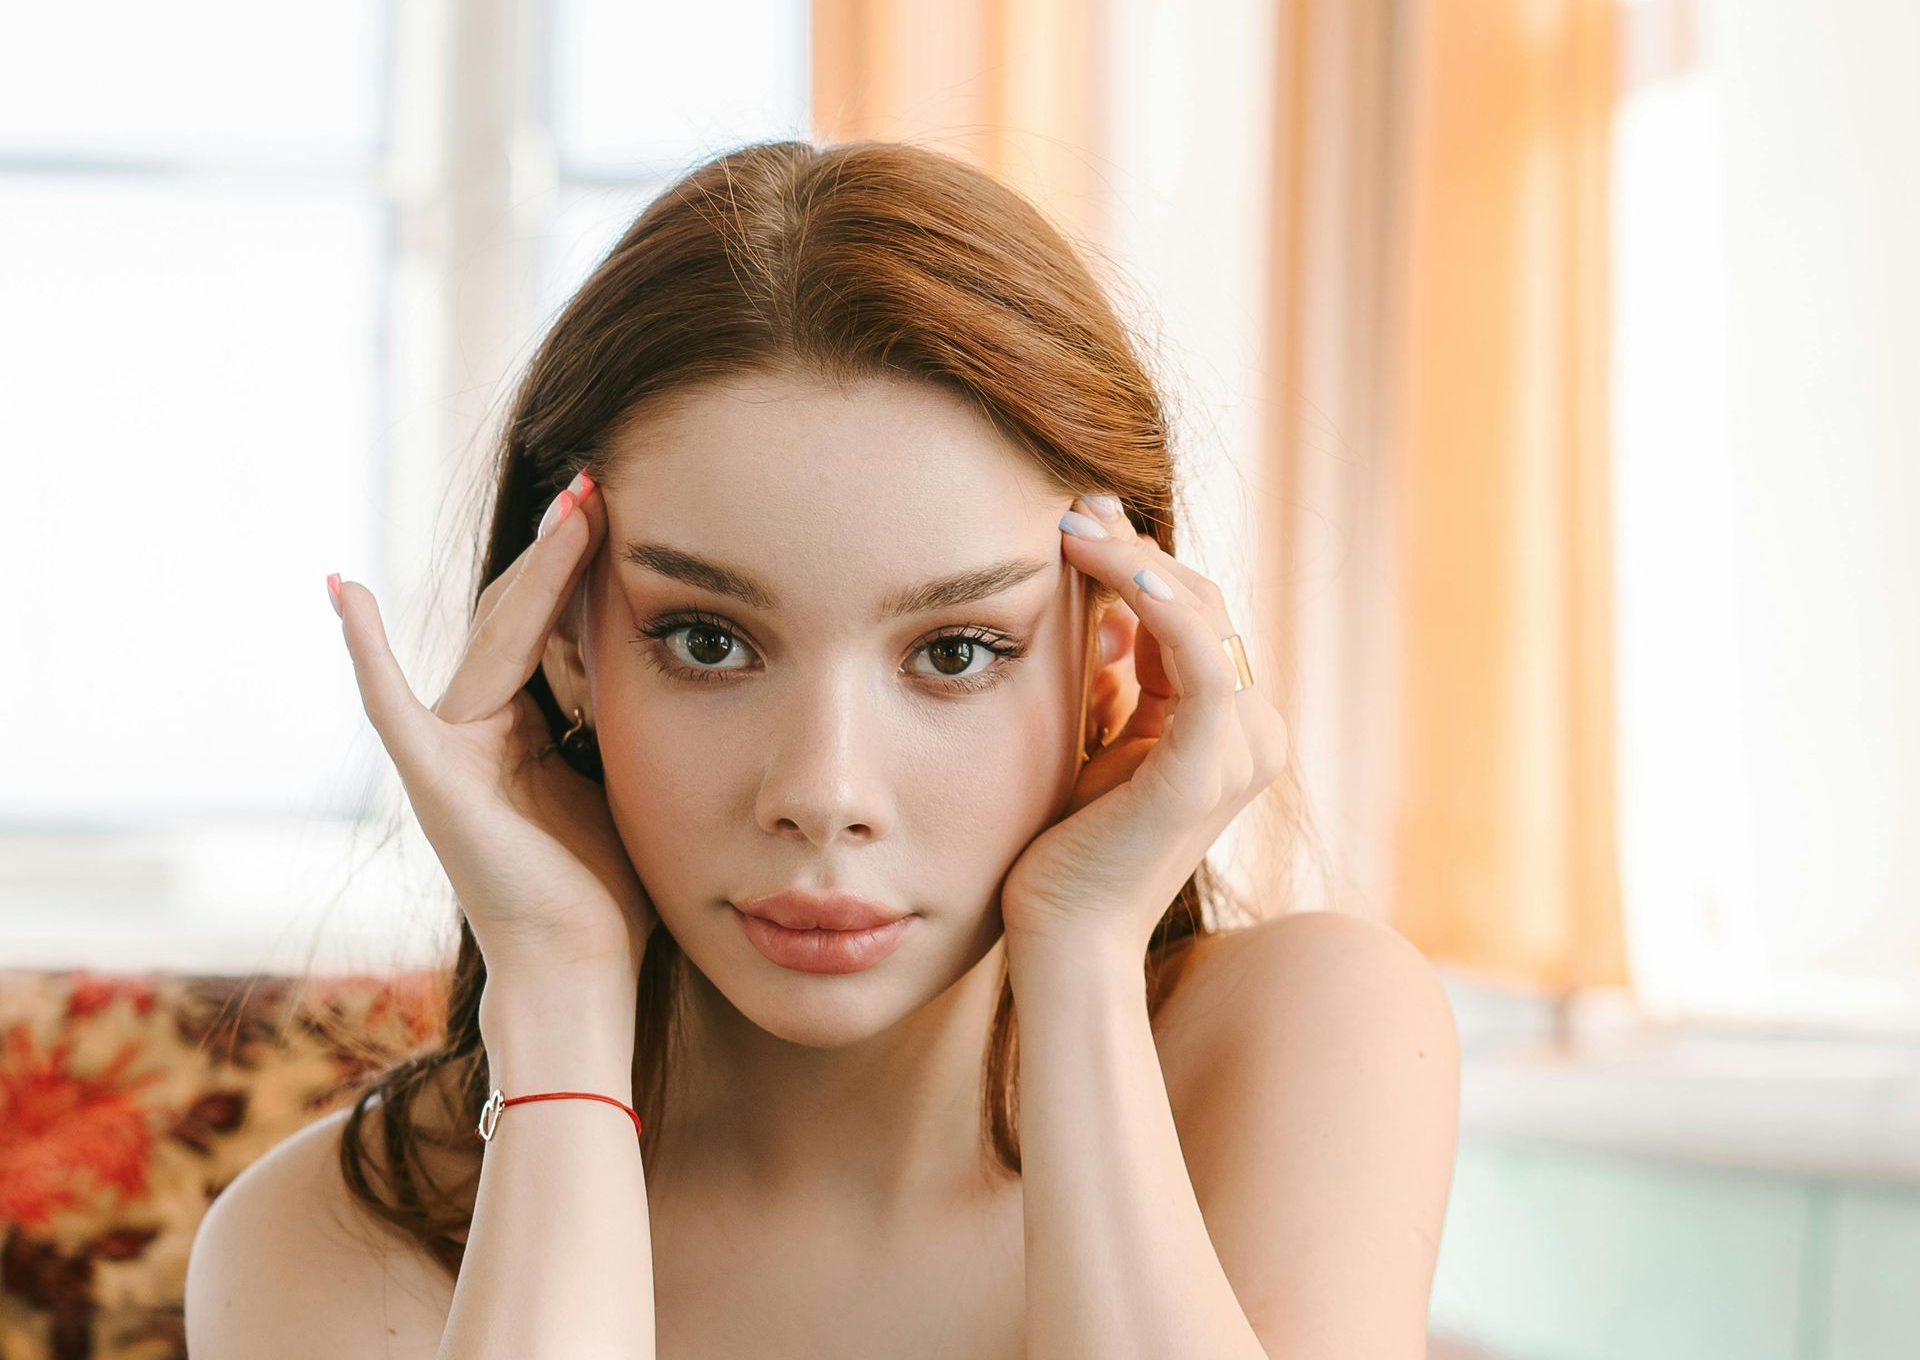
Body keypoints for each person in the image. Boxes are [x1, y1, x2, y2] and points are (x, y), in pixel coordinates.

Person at [185, 137, 1459, 1359]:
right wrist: (561, 1013)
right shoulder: (321, 1243)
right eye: (705, 641)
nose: (823, 794)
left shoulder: (1307, 1042)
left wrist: (1079, 967)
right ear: (565, 650)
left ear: (1114, 663)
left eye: (956, 652)